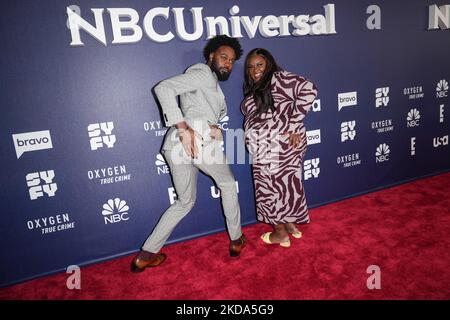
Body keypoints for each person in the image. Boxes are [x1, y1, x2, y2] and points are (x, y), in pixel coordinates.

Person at [131, 35, 247, 273]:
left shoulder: (209, 83)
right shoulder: (202, 72)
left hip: (177, 146)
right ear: (211, 56)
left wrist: (210, 127)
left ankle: (146, 254)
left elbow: (198, 110)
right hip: (194, 139)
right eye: (224, 57)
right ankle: (236, 240)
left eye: (232, 61)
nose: (228, 63)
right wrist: (183, 128)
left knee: (184, 202)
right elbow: (163, 88)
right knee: (227, 184)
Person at [241, 48, 317, 247]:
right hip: (273, 147)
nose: (254, 70)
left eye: (259, 64)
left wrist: (293, 125)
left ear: (269, 64)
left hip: (273, 147)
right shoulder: (262, 87)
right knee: (285, 187)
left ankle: (280, 233)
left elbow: (309, 89)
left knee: (269, 190)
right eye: (250, 67)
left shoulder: (277, 78)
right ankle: (290, 224)